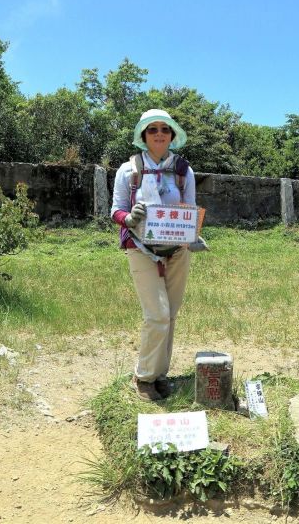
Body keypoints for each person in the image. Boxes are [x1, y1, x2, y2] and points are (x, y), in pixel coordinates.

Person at [111, 109, 196, 402]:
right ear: (143, 136)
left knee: (170, 315)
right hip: (141, 248)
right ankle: (144, 377)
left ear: (172, 135)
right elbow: (116, 210)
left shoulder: (184, 170)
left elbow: (191, 209)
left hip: (177, 251)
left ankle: (161, 374)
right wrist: (129, 218)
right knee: (156, 314)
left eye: (164, 129)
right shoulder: (128, 170)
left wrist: (190, 231)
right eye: (152, 129)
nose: (159, 134)